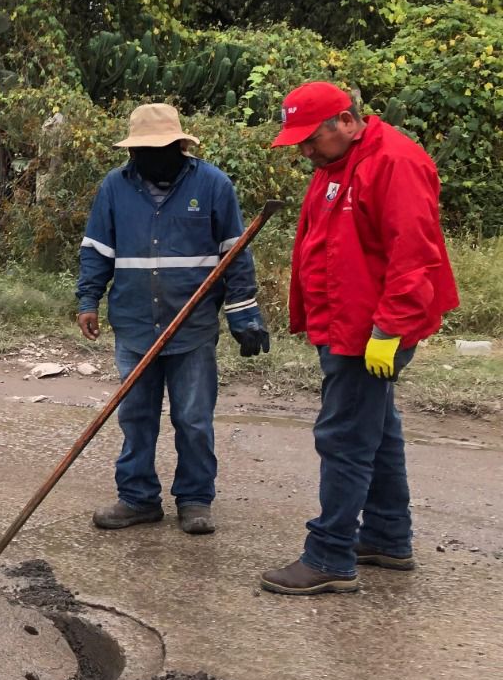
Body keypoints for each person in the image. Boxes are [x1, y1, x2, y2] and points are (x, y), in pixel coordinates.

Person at [259, 82, 459, 595]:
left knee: (344, 436)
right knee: (378, 428)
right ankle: (388, 538)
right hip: (344, 324)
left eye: (311, 138)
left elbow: (414, 254)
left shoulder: (395, 163)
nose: (304, 150)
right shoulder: (336, 166)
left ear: (346, 122)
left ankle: (329, 555)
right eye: (298, 141)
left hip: (372, 329)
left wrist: (390, 329)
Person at [76, 103, 269, 536]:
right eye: (142, 149)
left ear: (180, 146)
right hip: (134, 324)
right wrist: (88, 300)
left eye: (159, 148)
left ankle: (195, 500)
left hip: (193, 326)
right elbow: (96, 251)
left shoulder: (213, 185)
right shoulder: (115, 187)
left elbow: (235, 255)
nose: (149, 157)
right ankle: (138, 498)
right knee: (136, 417)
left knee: (194, 418)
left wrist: (244, 317)